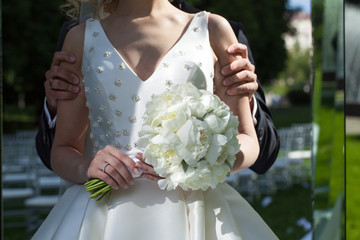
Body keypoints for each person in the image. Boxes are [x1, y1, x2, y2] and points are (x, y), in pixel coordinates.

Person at [32, 0, 278, 239]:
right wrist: (86, 167)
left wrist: (201, 163)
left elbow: (248, 141)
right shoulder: (80, 38)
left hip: (194, 211)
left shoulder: (214, 29)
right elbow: (62, 149)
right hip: (102, 214)